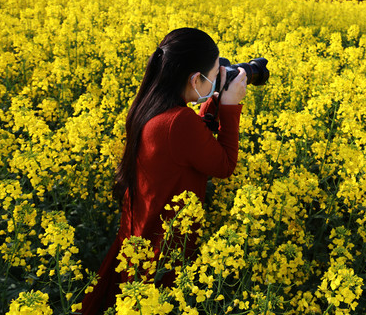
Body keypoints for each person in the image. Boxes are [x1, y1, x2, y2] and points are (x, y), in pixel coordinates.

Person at [81, 27, 247, 314]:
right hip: (163, 249)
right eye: (212, 74)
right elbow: (224, 165)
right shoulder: (180, 123)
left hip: (138, 238)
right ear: (195, 79)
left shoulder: (151, 104)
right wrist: (231, 106)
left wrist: (214, 98)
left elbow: (186, 135)